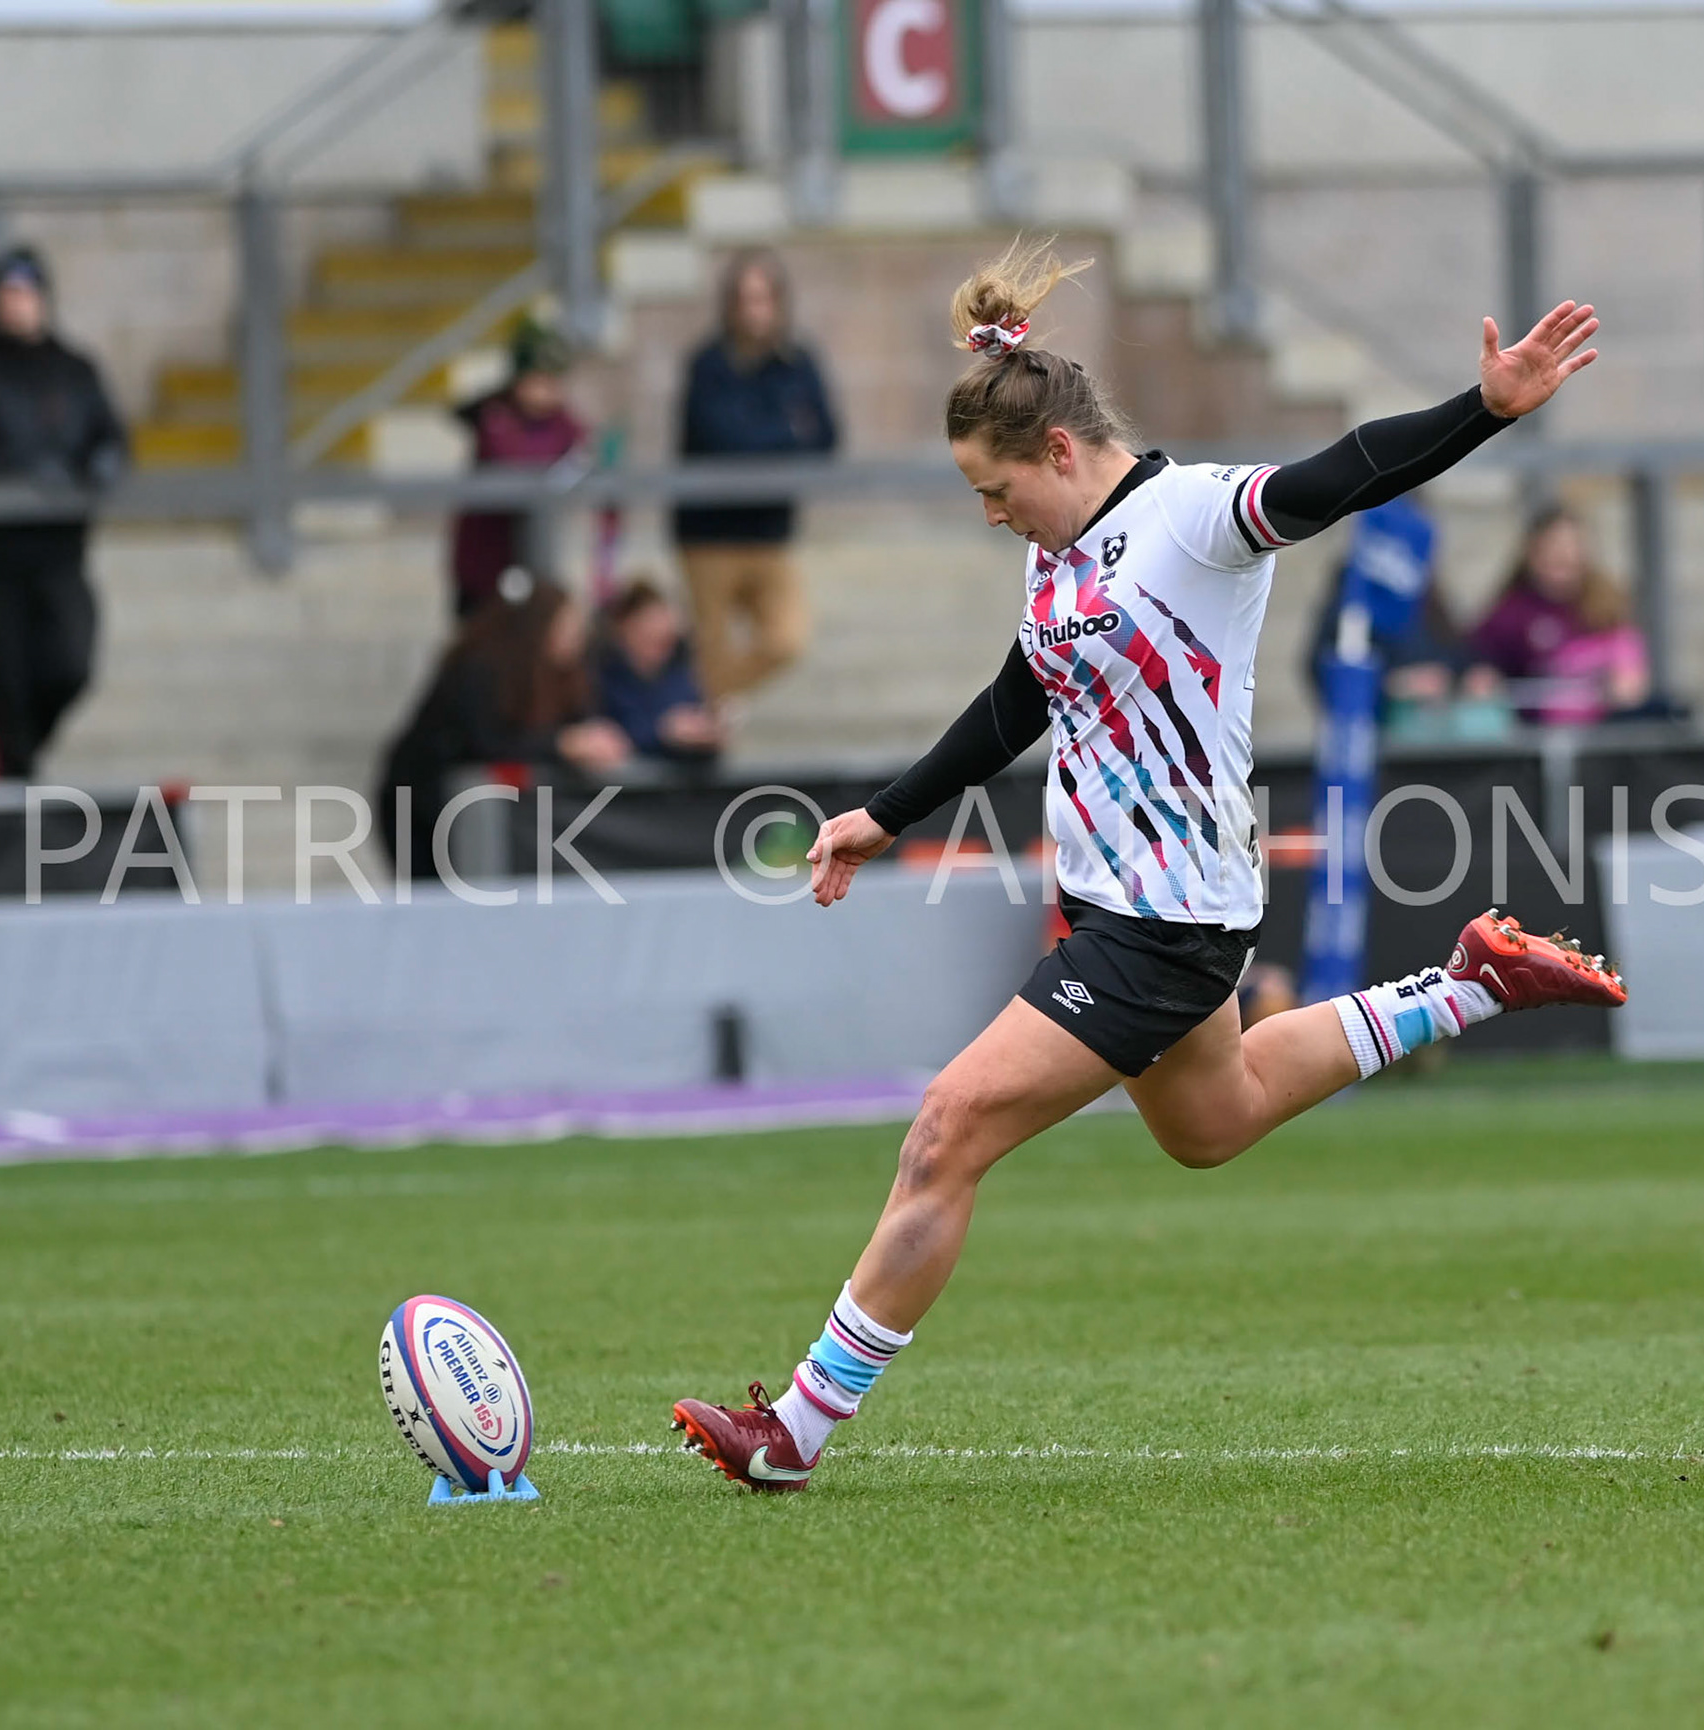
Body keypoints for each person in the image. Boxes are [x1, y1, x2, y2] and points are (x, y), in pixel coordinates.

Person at [671, 241, 1629, 1494]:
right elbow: (1020, 697)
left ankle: (794, 1430)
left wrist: (1484, 410)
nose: (992, 514)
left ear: (1060, 450)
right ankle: (1468, 983)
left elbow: (1346, 470)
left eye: (997, 489)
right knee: (1211, 1122)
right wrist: (887, 814)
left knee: (947, 1129)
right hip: (1124, 906)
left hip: (1162, 922)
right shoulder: (1058, 550)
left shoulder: (1195, 520)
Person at [0, 246, 127, 778]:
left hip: (60, 551)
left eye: (26, 293)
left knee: (69, 662)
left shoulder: (74, 371)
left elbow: (110, 435)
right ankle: (17, 775)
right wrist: (9, 470)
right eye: (8, 294)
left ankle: (23, 754)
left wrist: (101, 462)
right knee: (5, 681)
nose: (18, 304)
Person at [378, 570, 629, 880]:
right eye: (566, 626)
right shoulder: (480, 670)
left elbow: (576, 723)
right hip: (421, 807)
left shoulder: (566, 676)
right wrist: (563, 744)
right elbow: (488, 742)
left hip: (486, 815)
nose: (577, 636)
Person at [673, 249, 838, 703]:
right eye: (746, 299)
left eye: (763, 299)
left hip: (769, 531)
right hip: (709, 534)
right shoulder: (708, 364)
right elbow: (721, 441)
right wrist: (786, 434)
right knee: (711, 648)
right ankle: (702, 717)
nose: (755, 311)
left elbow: (825, 436)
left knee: (786, 639)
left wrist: (759, 438)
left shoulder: (796, 362)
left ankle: (696, 704)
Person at [449, 318, 587, 618]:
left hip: (530, 560)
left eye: (554, 381)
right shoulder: (496, 418)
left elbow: (579, 446)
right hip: (485, 564)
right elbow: (517, 462)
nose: (550, 391)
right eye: (541, 381)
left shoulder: (559, 420)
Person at [1469, 505, 1650, 725]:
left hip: (1602, 730)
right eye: (1553, 546)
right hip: (1537, 732)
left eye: (1571, 546)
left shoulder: (1606, 607)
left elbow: (1631, 678)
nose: (1562, 555)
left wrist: (1624, 683)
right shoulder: (1510, 613)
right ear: (1533, 552)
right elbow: (1480, 667)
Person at [592, 579, 723, 762]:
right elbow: (612, 734)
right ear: (625, 627)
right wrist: (664, 732)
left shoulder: (679, 674)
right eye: (650, 622)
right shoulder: (603, 679)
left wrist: (706, 732)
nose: (661, 628)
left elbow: (699, 719)